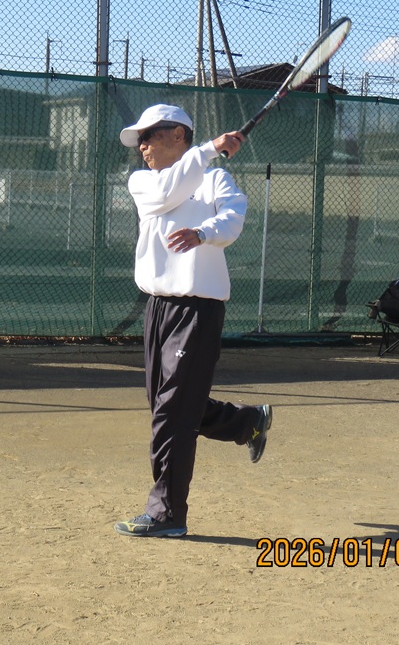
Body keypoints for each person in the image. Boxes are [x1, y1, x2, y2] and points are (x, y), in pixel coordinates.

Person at [114, 103, 273, 538]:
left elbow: (232, 220)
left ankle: (167, 515)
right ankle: (246, 422)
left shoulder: (216, 178)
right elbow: (171, 190)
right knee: (168, 405)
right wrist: (208, 149)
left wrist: (203, 233)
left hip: (199, 309)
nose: (142, 146)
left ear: (178, 135)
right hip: (158, 308)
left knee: (172, 409)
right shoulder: (144, 182)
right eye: (140, 139)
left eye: (149, 135)